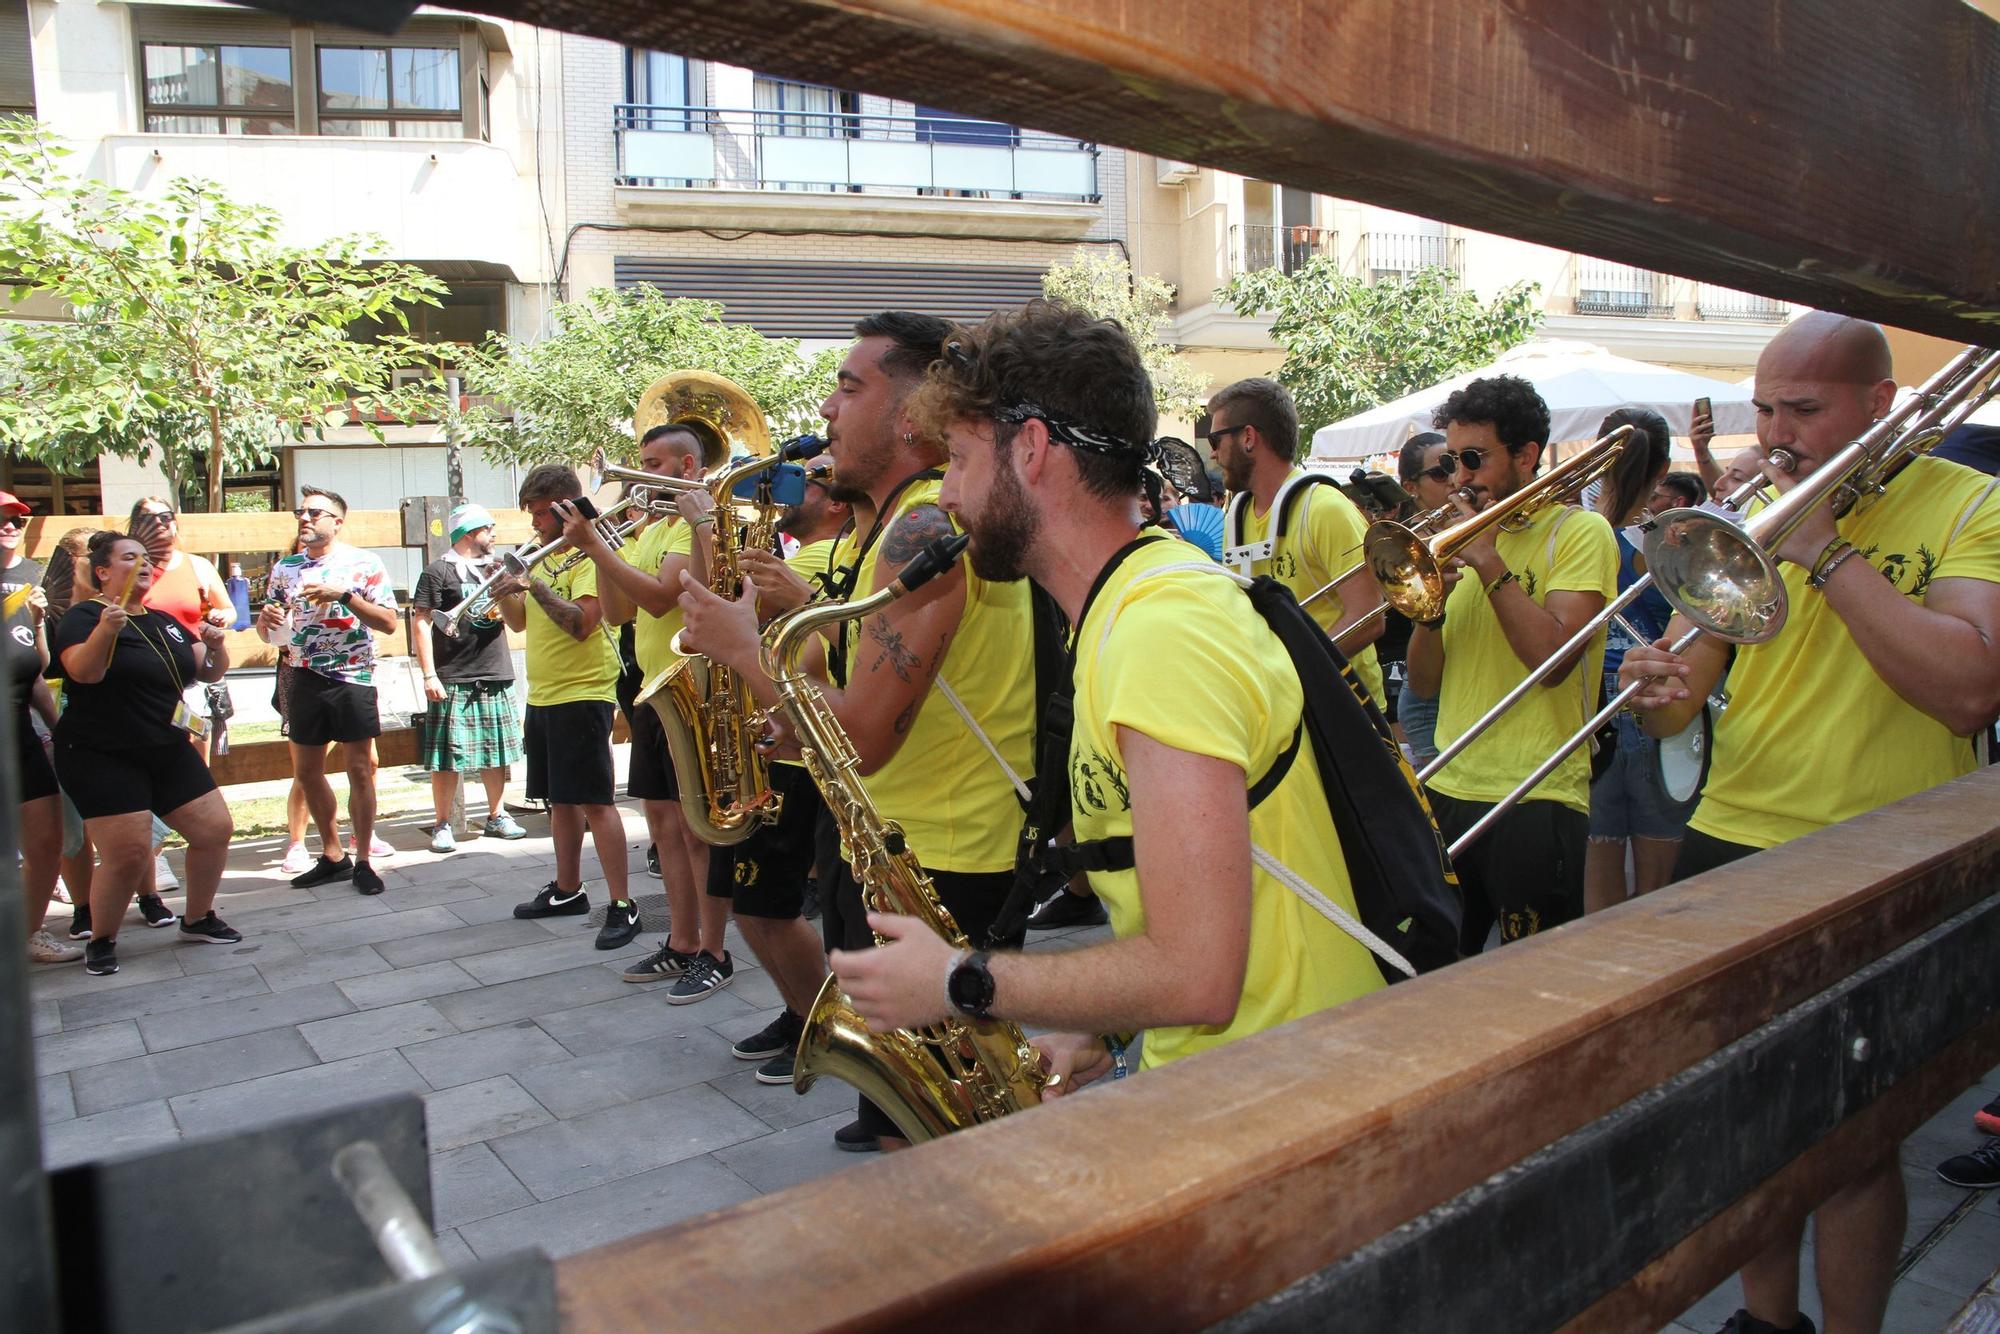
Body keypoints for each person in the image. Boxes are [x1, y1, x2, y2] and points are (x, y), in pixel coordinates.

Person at [820, 298, 1386, 1095]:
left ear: (1033, 449)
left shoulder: (1161, 633)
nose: (945, 494)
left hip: (1283, 1097)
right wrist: (1105, 1027)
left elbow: (1196, 975)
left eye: (958, 458)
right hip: (1245, 1079)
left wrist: (963, 979)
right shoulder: (1130, 608)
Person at [1621, 313, 2000, 1334]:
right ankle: (1763, 1318)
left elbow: (1967, 690)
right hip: (1735, 838)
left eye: (1802, 408)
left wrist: (1821, 547)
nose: (1775, 432)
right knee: (1744, 1127)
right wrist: (1653, 684)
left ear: (1878, 403)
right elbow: (1678, 694)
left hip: (1879, 850)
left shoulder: (1970, 502)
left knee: (1848, 1141)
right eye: (1762, 407)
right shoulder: (1748, 509)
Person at [678, 309, 1037, 1154]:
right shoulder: (891, 522)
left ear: (912, 416)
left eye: (849, 386)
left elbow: (867, 735)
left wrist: (742, 648)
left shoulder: (922, 524)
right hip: (890, 843)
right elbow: (867, 699)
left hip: (944, 864)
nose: (828, 410)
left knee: (944, 1136)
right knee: (913, 1123)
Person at [1406, 375, 1616, 952]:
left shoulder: (1579, 532)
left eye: (1473, 459)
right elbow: (1424, 684)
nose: (1460, 478)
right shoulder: (1461, 543)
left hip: (1537, 792)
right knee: (1437, 970)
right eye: (1450, 462)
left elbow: (1552, 662)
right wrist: (1431, 609)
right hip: (1450, 780)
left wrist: (1489, 562)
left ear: (1526, 455)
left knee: (1533, 977)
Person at [703, 454, 851, 1076]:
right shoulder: (810, 553)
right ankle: (801, 1014)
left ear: (838, 501)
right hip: (773, 735)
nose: (792, 484)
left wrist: (704, 529)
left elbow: (742, 612)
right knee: (750, 903)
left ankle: (822, 1027)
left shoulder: (820, 559)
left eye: (812, 478)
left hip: (792, 744)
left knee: (769, 903)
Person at [52, 532, 241, 976]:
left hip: (165, 745)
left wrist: (215, 646)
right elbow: (83, 672)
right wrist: (106, 630)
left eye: (146, 557)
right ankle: (103, 938)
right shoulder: (85, 616)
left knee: (215, 829)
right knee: (130, 852)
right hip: (102, 752)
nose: (143, 563)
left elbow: (204, 670)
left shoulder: (164, 621)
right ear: (103, 572)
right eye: (129, 557)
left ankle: (197, 918)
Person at [562, 427, 716, 962]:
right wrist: (602, 547)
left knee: (697, 830)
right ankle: (682, 940)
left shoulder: (689, 529)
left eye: (653, 462)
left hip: (692, 688)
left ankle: (714, 952)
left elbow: (656, 600)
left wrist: (597, 549)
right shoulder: (652, 529)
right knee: (663, 825)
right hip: (655, 692)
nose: (640, 472)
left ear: (689, 467)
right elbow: (622, 611)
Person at [502, 464, 635, 948]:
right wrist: (504, 593)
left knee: (596, 802)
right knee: (559, 799)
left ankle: (622, 902)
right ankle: (567, 889)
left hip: (584, 690)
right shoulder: (539, 555)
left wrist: (532, 585)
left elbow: (581, 623)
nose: (534, 524)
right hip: (544, 691)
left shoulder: (588, 554)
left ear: (563, 507)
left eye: (541, 514)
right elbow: (519, 624)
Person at [1211, 377, 1389, 709]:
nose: (1212, 452)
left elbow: (1369, 617)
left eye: (1216, 438)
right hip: (1283, 708)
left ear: (1248, 437)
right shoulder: (1235, 513)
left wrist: (1291, 669)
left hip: (1346, 710)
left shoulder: (1326, 508)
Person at [258, 486, 401, 896]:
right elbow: (269, 632)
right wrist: (266, 620)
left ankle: (364, 862)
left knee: (359, 769)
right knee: (306, 772)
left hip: (352, 676)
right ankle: (333, 855)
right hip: (301, 675)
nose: (305, 519)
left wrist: (345, 596)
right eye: (300, 513)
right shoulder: (286, 568)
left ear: (337, 522)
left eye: (315, 513)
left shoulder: (364, 563)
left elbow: (390, 623)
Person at [1580, 408, 1690, 914]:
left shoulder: (1576, 534)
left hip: (1593, 713)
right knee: (1660, 894)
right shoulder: (1680, 540)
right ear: (1663, 469)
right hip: (1668, 704)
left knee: (1597, 891)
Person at [409, 503, 529, 853]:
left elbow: (516, 611)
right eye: (488, 529)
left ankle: (497, 814)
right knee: (448, 755)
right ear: (470, 533)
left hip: (494, 667)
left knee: (497, 750)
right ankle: (442, 823)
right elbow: (421, 621)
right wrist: (429, 673)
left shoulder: (497, 568)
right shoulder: (438, 572)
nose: (494, 535)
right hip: (453, 671)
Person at [7, 502, 76, 964]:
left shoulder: (32, 574)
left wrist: (61, 732)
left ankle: (30, 933)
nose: (8, 527)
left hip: (18, 724)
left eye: (14, 520)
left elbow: (38, 667)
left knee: (47, 837)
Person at [129, 497, 232, 762]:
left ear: (175, 522)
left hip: (193, 676)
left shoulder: (198, 566)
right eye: (148, 520)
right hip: (146, 678)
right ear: (136, 527)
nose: (159, 524)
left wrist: (221, 617)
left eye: (165, 517)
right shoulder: (131, 570)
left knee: (196, 762)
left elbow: (230, 611)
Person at [1392, 431, 1456, 763]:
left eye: (1456, 464)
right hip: (1427, 699)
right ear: (1411, 487)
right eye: (1440, 472)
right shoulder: (1403, 544)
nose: (1454, 479)